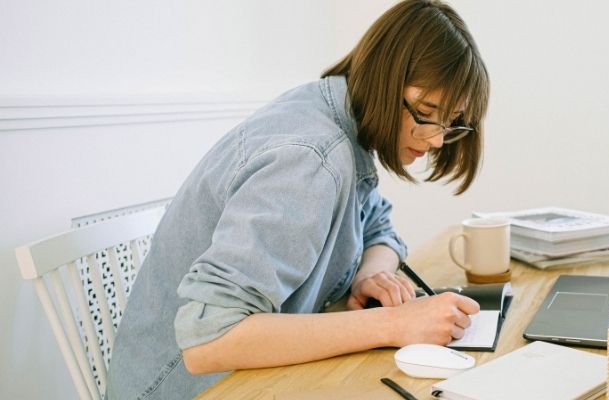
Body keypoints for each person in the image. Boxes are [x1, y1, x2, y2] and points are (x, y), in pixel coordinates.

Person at [106, 0, 489, 398]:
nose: (437, 139)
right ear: (386, 78)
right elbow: (209, 340)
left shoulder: (341, 119)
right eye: (426, 112)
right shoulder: (311, 159)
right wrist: (395, 324)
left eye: (451, 122)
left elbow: (379, 228)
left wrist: (371, 276)